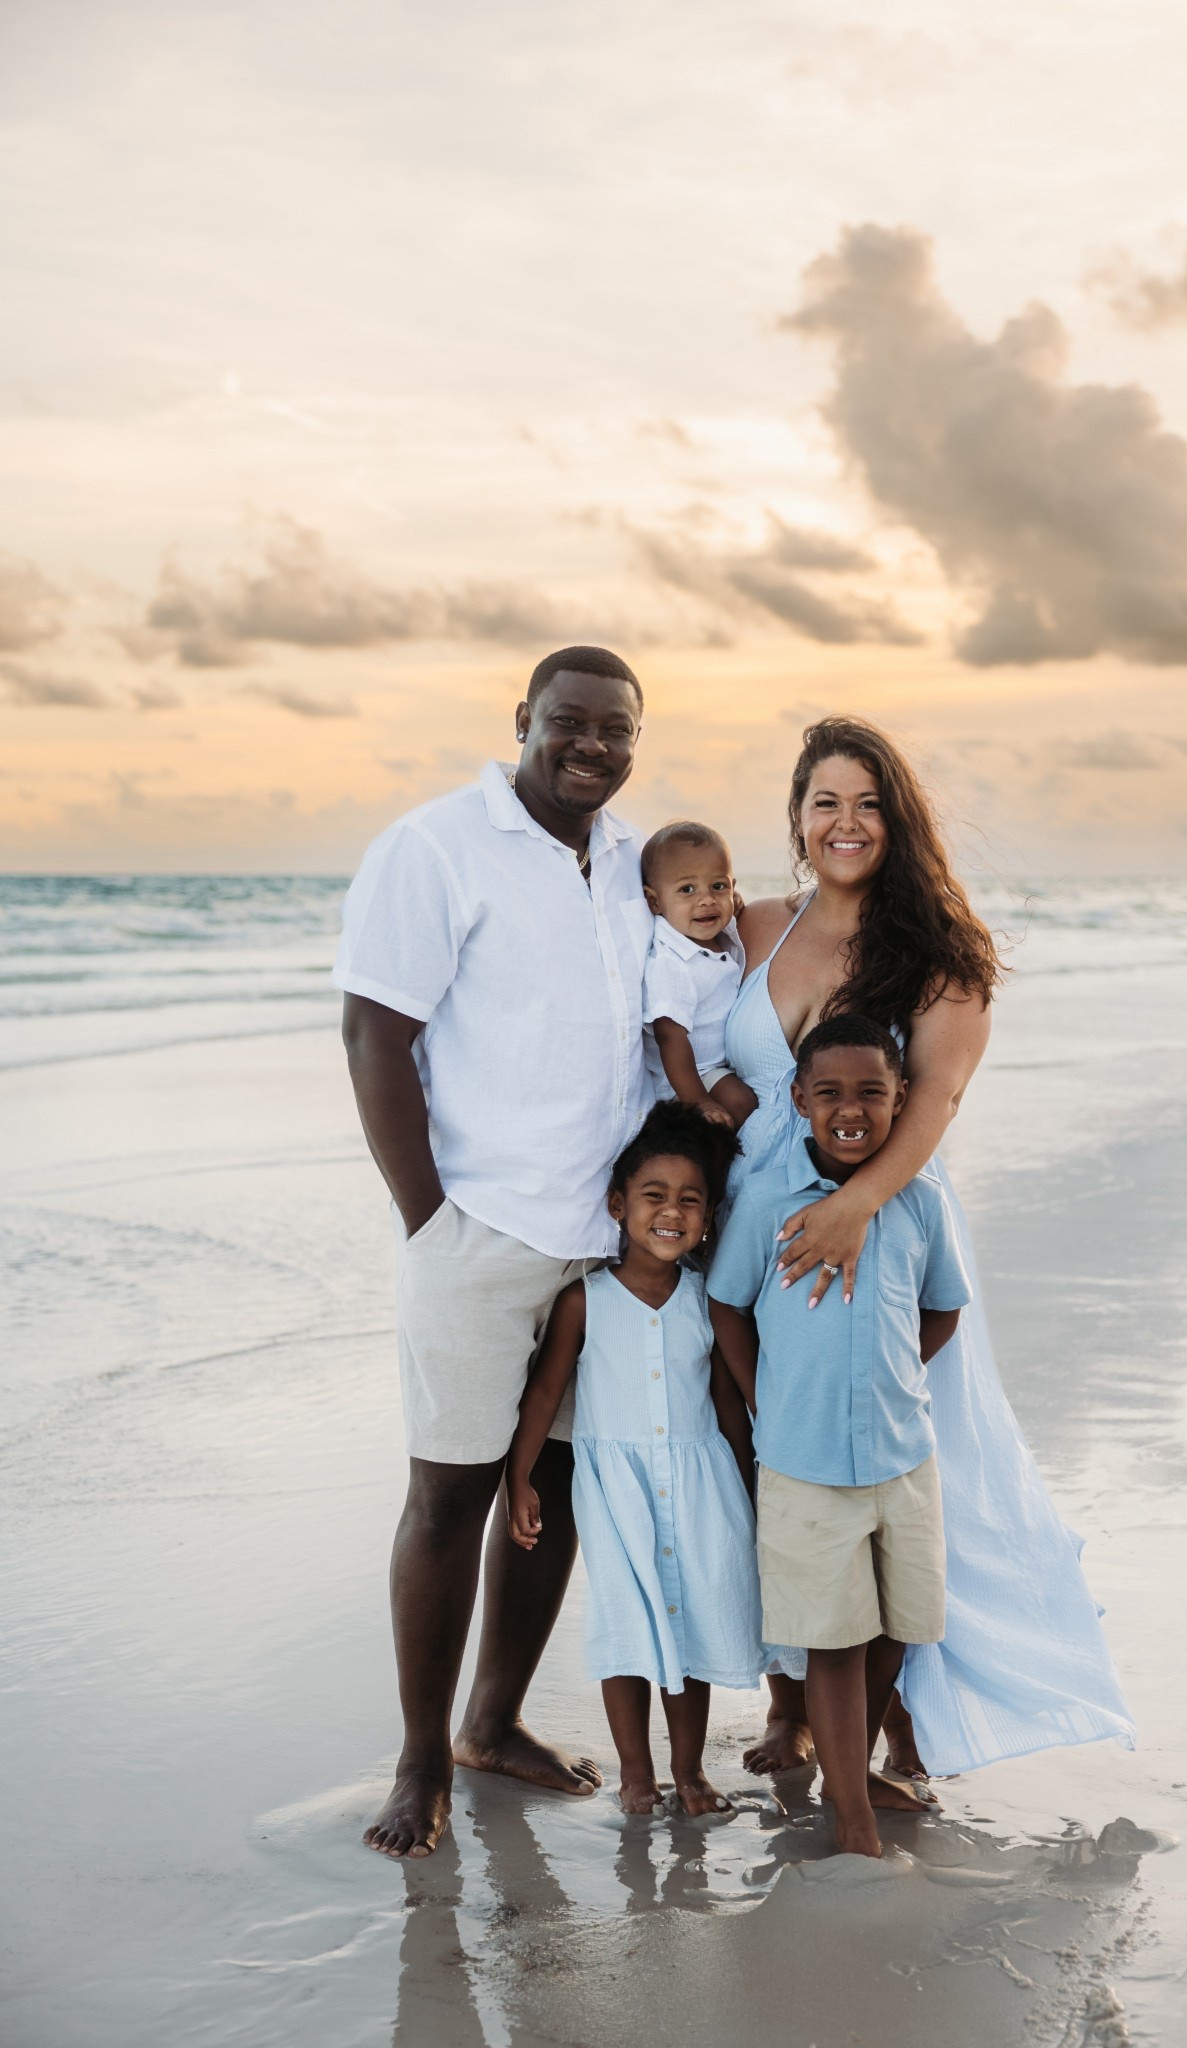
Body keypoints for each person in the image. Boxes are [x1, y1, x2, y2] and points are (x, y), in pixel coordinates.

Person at [723, 715, 1135, 1784]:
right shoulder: (753, 925)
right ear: (796, 817)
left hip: (882, 1231)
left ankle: (908, 1714)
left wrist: (854, 1206)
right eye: (824, 801)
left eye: (867, 802)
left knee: (905, 1463)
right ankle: (792, 1702)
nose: (844, 821)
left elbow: (937, 1096)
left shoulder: (941, 959)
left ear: (896, 821)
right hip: (754, 1230)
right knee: (771, 1454)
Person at [333, 645, 654, 1859]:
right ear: (523, 719)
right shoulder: (434, 846)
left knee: (555, 1486)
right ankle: (419, 1760)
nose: (593, 745)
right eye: (570, 722)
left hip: (600, 1244)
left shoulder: (633, 861)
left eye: (616, 729)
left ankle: (494, 1719)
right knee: (452, 1492)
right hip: (479, 1232)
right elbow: (373, 1031)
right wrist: (429, 1218)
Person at [709, 1016, 972, 1857]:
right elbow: (727, 1304)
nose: (851, 1110)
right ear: (799, 1100)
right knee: (832, 1637)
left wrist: (892, 1379)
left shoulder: (920, 1201)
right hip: (804, 1461)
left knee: (897, 1627)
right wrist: (765, 1401)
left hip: (902, 1454)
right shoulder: (766, 1200)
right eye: (830, 1093)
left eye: (871, 1092)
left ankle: (847, 1773)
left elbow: (943, 1307)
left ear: (901, 1099)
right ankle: (852, 1818)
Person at [506, 1102, 761, 1816]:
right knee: (627, 1624)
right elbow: (546, 1392)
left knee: (693, 1626)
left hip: (701, 1483)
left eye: (690, 1200)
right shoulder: (583, 1302)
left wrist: (750, 1486)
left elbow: (728, 1403)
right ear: (619, 1205)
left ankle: (689, 1773)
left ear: (709, 1216)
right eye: (654, 1196)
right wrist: (517, 1476)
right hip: (615, 1490)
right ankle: (635, 1775)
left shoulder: (708, 1300)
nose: (671, 1212)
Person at [640, 821, 758, 1129]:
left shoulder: (714, 931)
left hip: (715, 1065)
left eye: (718, 886)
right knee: (740, 1104)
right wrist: (697, 1100)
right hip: (689, 1075)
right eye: (687, 889)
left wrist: (734, 906)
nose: (706, 899)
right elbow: (670, 1037)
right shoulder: (672, 963)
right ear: (655, 901)